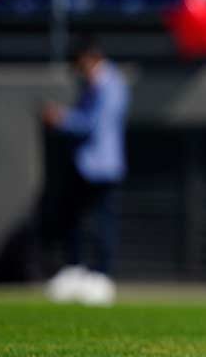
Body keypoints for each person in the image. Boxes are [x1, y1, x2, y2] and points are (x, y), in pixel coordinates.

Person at [41, 37, 130, 306]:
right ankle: (75, 268)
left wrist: (61, 118)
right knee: (73, 218)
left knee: (103, 222)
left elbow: (93, 124)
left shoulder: (111, 85)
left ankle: (102, 276)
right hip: (84, 164)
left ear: (91, 58)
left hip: (102, 166)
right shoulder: (92, 84)